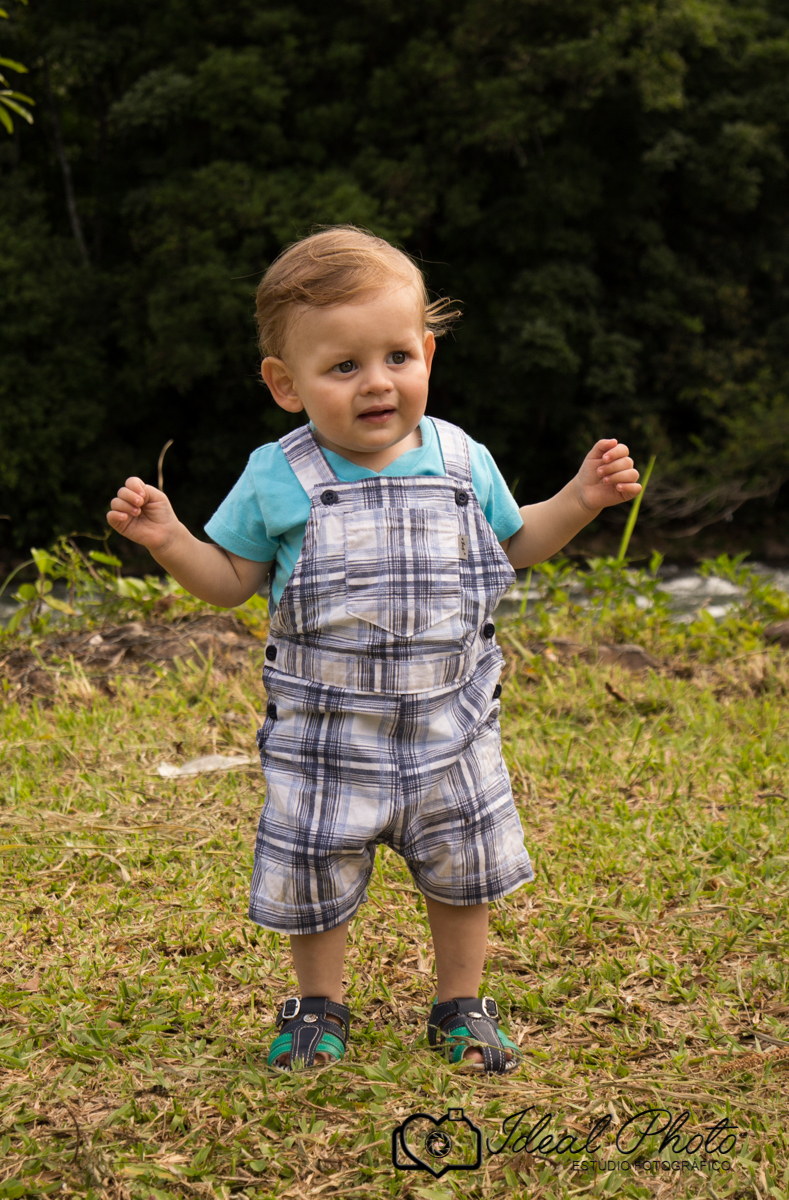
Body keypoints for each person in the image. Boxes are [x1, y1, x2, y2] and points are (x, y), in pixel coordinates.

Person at [107, 225, 640, 1074]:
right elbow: (231, 581)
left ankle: (460, 1003)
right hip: (328, 734)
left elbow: (516, 544)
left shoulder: (464, 458)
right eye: (343, 367)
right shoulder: (277, 474)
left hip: (449, 726)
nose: (377, 383)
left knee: (461, 874)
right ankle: (317, 1005)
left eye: (396, 355)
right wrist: (169, 538)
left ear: (426, 351)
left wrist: (577, 498)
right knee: (316, 873)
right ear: (286, 385)